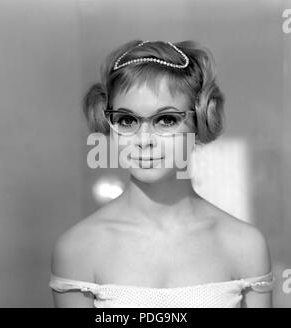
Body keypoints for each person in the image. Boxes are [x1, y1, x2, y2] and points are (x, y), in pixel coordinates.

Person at [49, 39, 274, 308]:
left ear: (200, 120)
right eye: (127, 120)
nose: (144, 139)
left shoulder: (245, 246)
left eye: (166, 119)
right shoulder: (78, 249)